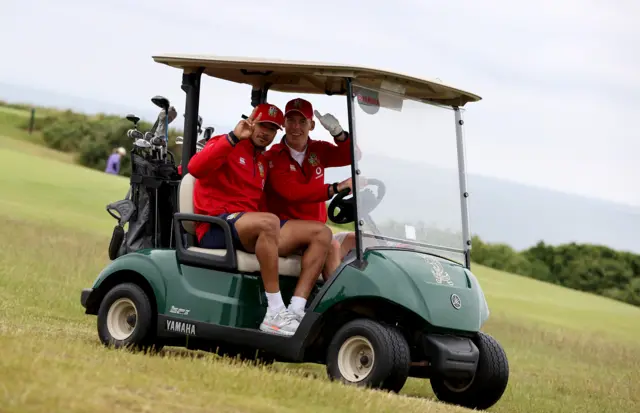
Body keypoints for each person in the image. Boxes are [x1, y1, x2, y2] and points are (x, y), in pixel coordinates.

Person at [187, 103, 332, 336]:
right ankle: (274, 312)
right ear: (251, 122)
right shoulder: (225, 143)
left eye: (273, 129)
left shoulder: (262, 162)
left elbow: (263, 205)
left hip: (247, 226)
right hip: (217, 226)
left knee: (322, 233)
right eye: (263, 125)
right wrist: (234, 137)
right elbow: (195, 167)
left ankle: (295, 310)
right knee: (269, 222)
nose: (266, 133)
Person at [263, 98, 358, 281]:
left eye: (302, 121)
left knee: (361, 242)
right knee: (331, 245)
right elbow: (293, 193)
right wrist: (335, 188)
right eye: (291, 121)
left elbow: (354, 156)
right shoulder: (274, 156)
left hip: (316, 229)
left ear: (312, 125)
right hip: (287, 230)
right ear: (283, 123)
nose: (295, 127)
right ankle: (335, 304)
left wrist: (339, 134)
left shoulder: (318, 150)